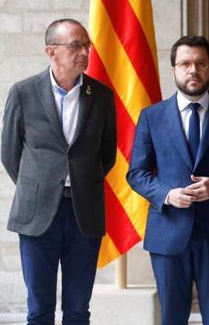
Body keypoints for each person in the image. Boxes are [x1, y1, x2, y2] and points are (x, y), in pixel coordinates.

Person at [126, 35, 209, 325]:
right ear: (173, 69)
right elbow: (136, 174)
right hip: (168, 233)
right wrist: (167, 194)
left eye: (200, 63)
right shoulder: (152, 117)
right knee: (172, 318)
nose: (193, 70)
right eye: (185, 63)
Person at [1, 19, 117, 325]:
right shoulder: (24, 92)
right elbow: (10, 152)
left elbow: (107, 155)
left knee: (78, 309)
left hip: (84, 213)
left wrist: (79, 182)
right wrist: (40, 186)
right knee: (39, 309)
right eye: (75, 45)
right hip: (37, 214)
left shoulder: (102, 96)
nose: (84, 52)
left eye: (86, 45)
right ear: (51, 51)